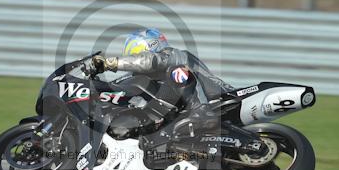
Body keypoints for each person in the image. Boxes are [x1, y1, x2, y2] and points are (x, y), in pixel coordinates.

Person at [90, 28, 235, 109]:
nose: (132, 59)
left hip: (219, 99)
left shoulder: (173, 55)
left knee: (177, 72)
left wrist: (111, 63)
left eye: (134, 54)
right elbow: (120, 88)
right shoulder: (147, 79)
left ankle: (199, 110)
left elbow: (151, 61)